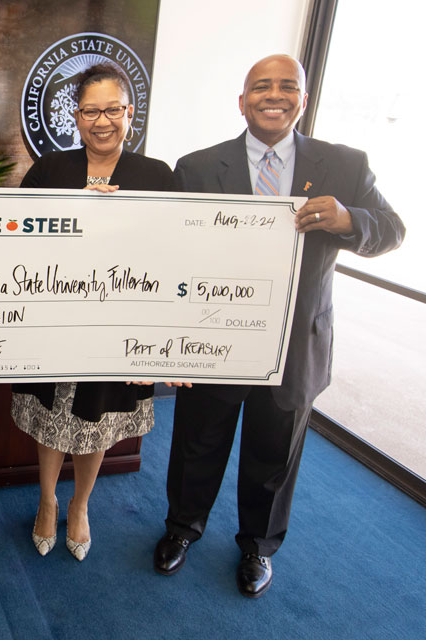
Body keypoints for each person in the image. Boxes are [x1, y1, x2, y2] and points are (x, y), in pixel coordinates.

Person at [153, 54, 405, 598]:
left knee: (274, 452)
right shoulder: (197, 167)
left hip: (295, 347)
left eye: (287, 86)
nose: (274, 95)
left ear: (303, 99)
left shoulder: (346, 164)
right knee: (198, 441)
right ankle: (181, 529)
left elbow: (391, 230)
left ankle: (257, 547)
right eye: (261, 87)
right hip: (212, 336)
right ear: (242, 102)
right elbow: (170, 251)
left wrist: (349, 220)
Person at [10, 62, 177, 562]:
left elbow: (172, 252)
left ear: (130, 113)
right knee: (52, 413)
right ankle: (46, 500)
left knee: (95, 417)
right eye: (90, 111)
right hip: (55, 319)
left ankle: (80, 505)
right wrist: (72, 211)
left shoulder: (156, 175)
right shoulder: (50, 171)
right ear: (76, 117)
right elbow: (18, 241)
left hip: (118, 327)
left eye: (112, 109)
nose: (101, 121)